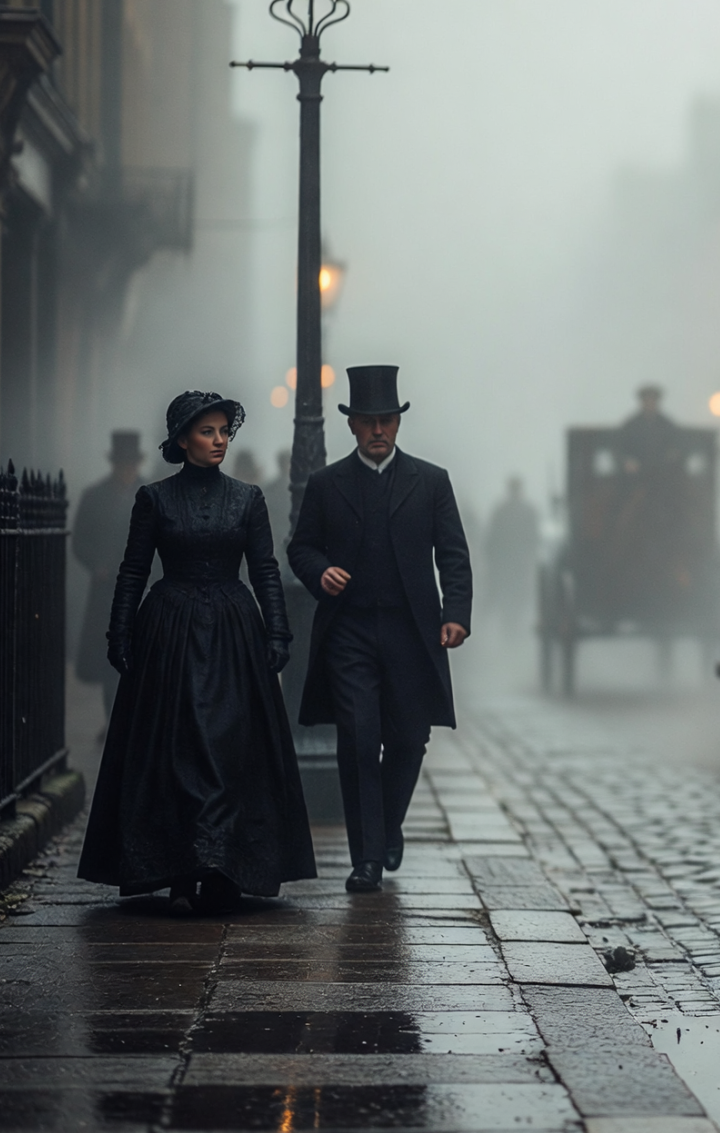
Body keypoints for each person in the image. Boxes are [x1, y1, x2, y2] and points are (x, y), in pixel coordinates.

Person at [77, 393, 314, 912]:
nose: (220, 440)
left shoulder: (248, 498)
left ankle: (226, 869)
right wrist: (120, 634)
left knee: (232, 747)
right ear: (182, 439)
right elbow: (134, 570)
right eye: (208, 432)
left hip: (232, 630)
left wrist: (278, 631)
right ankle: (180, 870)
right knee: (177, 747)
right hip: (171, 630)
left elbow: (266, 569)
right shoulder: (155, 499)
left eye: (224, 431)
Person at [288, 365, 474, 892]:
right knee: (359, 737)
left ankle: (388, 824)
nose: (377, 431)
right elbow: (300, 547)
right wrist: (319, 570)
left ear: (397, 424)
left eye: (386, 421)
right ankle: (366, 858)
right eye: (368, 421)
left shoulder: (431, 482)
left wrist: (455, 613)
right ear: (351, 426)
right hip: (348, 633)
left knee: (410, 739)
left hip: (412, 634)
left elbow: (453, 555)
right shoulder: (327, 484)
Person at [72, 430, 145, 719]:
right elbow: (79, 541)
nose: (127, 470)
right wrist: (97, 564)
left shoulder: (151, 495)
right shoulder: (95, 496)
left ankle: (134, 718)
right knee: (111, 660)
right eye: (122, 464)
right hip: (107, 590)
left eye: (131, 464)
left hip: (142, 588)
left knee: (141, 655)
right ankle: (114, 717)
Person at [483, 475, 542, 631]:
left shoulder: (503, 511)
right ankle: (508, 622)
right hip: (510, 561)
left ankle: (509, 622)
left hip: (512, 561)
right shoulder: (524, 511)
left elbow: (491, 539)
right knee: (512, 593)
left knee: (513, 593)